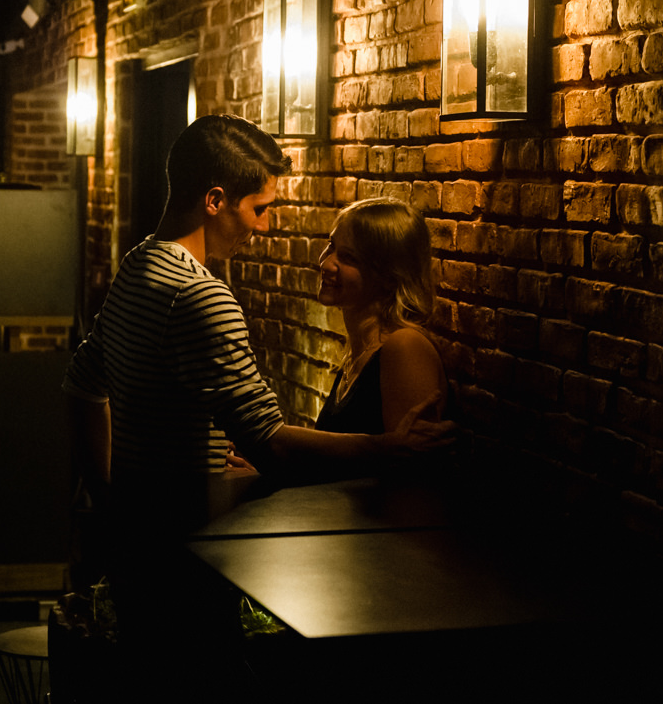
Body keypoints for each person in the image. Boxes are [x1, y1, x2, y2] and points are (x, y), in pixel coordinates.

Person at [62, 115, 452, 699]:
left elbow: (81, 387)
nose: (265, 227)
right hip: (185, 552)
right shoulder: (201, 295)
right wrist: (386, 448)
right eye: (260, 208)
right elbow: (268, 438)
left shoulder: (138, 266)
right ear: (216, 200)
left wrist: (112, 494)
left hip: (136, 545)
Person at [314, 197, 449, 443]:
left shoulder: (405, 348)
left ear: (389, 276)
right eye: (331, 246)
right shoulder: (358, 353)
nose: (326, 263)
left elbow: (408, 471)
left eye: (348, 257)